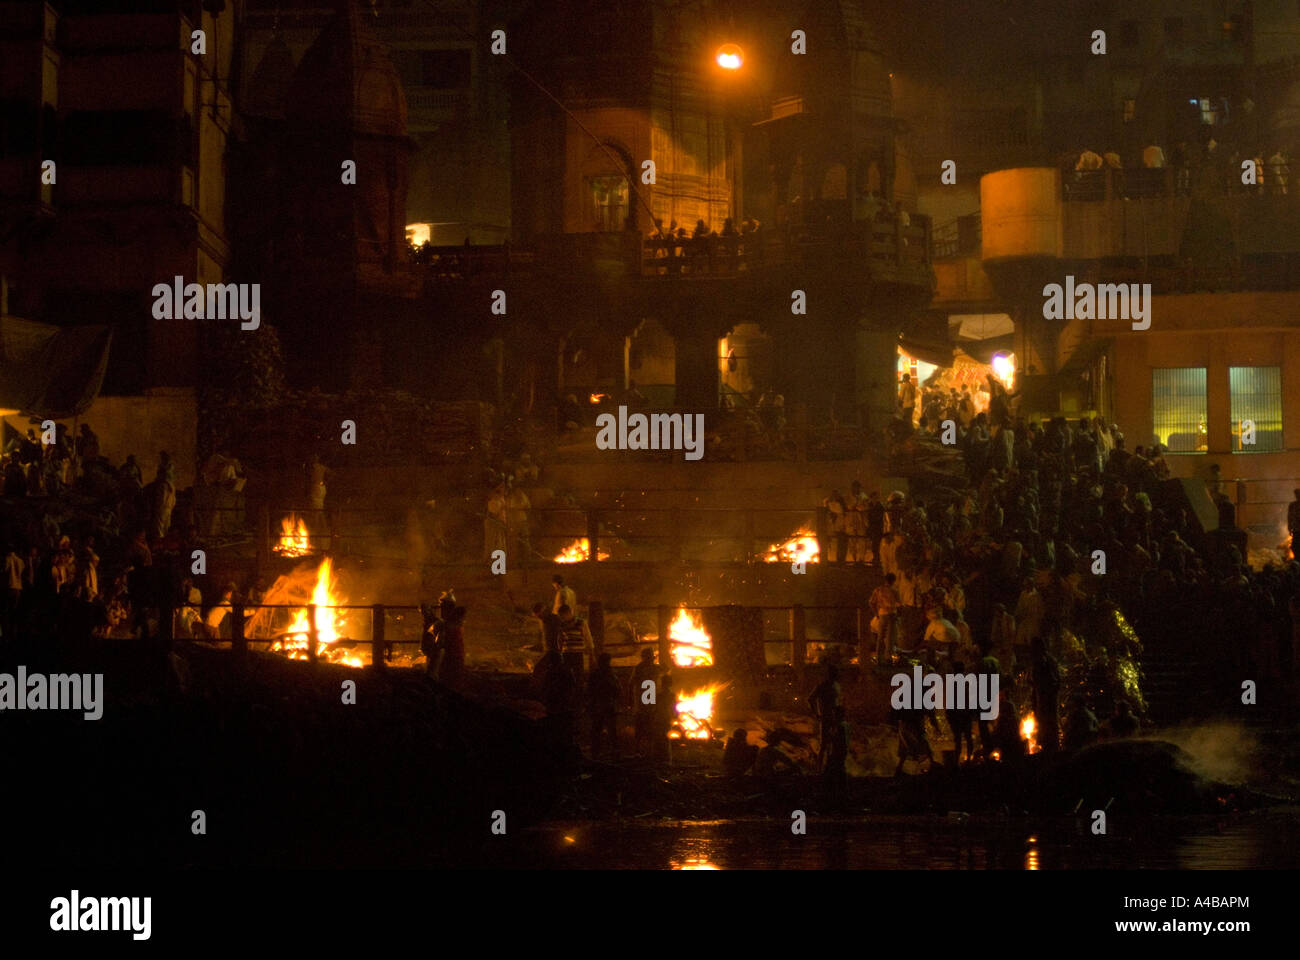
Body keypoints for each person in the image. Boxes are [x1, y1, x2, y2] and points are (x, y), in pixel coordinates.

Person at [586, 652, 621, 760]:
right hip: (607, 705)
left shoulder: (595, 674)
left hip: (599, 705)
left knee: (597, 729)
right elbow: (617, 689)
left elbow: (589, 690)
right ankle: (613, 752)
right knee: (610, 730)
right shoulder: (610, 674)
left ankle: (596, 752)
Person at [808, 664, 842, 769]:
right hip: (826, 717)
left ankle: (829, 767)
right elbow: (810, 699)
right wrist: (817, 713)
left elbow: (838, 702)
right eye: (835, 673)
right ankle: (819, 768)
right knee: (824, 744)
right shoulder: (822, 686)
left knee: (834, 744)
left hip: (834, 718)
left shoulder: (835, 685)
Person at [632, 647, 659, 756]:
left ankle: (642, 749)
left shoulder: (639, 668)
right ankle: (645, 749)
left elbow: (632, 683)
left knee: (644, 725)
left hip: (643, 700)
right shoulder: (652, 668)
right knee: (646, 724)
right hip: (646, 701)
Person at [556, 603, 595, 678]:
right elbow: (560, 639)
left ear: (569, 613)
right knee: (566, 676)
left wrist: (591, 653)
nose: (562, 618)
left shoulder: (581, 623)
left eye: (563, 616)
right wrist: (560, 652)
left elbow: (588, 638)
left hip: (578, 653)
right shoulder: (562, 625)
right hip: (566, 653)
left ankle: (578, 688)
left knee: (579, 674)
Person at [870, 572, 901, 662]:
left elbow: (871, 602)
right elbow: (899, 604)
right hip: (892, 614)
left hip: (882, 614)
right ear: (893, 581)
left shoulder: (878, 590)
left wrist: (876, 613)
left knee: (880, 636)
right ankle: (888, 657)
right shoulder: (894, 591)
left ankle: (879, 657)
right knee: (890, 637)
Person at [1288, 490, 1300, 559]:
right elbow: (1289, 517)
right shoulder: (1292, 505)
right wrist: (1289, 528)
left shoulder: (1292, 505)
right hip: (1296, 530)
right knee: (1295, 547)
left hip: (1296, 529)